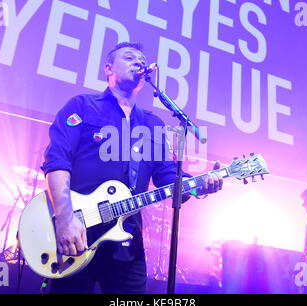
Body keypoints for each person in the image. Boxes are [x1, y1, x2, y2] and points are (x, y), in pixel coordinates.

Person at [41, 42, 224, 293]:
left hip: (127, 242)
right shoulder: (82, 106)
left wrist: (199, 185)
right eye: (129, 58)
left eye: (141, 59)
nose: (138, 62)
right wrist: (65, 219)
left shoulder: (153, 124)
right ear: (108, 68)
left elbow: (167, 177)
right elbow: (57, 160)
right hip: (78, 234)